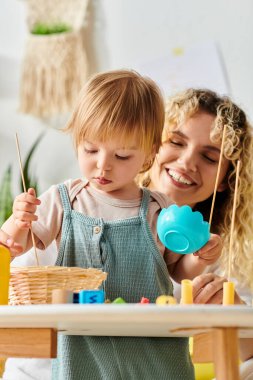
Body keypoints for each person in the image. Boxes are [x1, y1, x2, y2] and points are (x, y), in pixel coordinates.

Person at [2, 69, 225, 380]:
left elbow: (177, 270)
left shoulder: (159, 209)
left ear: (148, 156)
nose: (102, 165)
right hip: (82, 351)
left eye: (122, 156)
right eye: (90, 150)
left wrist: (199, 258)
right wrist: (17, 221)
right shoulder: (64, 200)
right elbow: (15, 244)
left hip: (153, 353)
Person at [138, 88, 253, 378]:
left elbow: (247, 359)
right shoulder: (88, 210)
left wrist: (237, 315)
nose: (187, 163)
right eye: (176, 142)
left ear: (227, 181)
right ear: (152, 146)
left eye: (210, 158)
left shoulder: (232, 257)